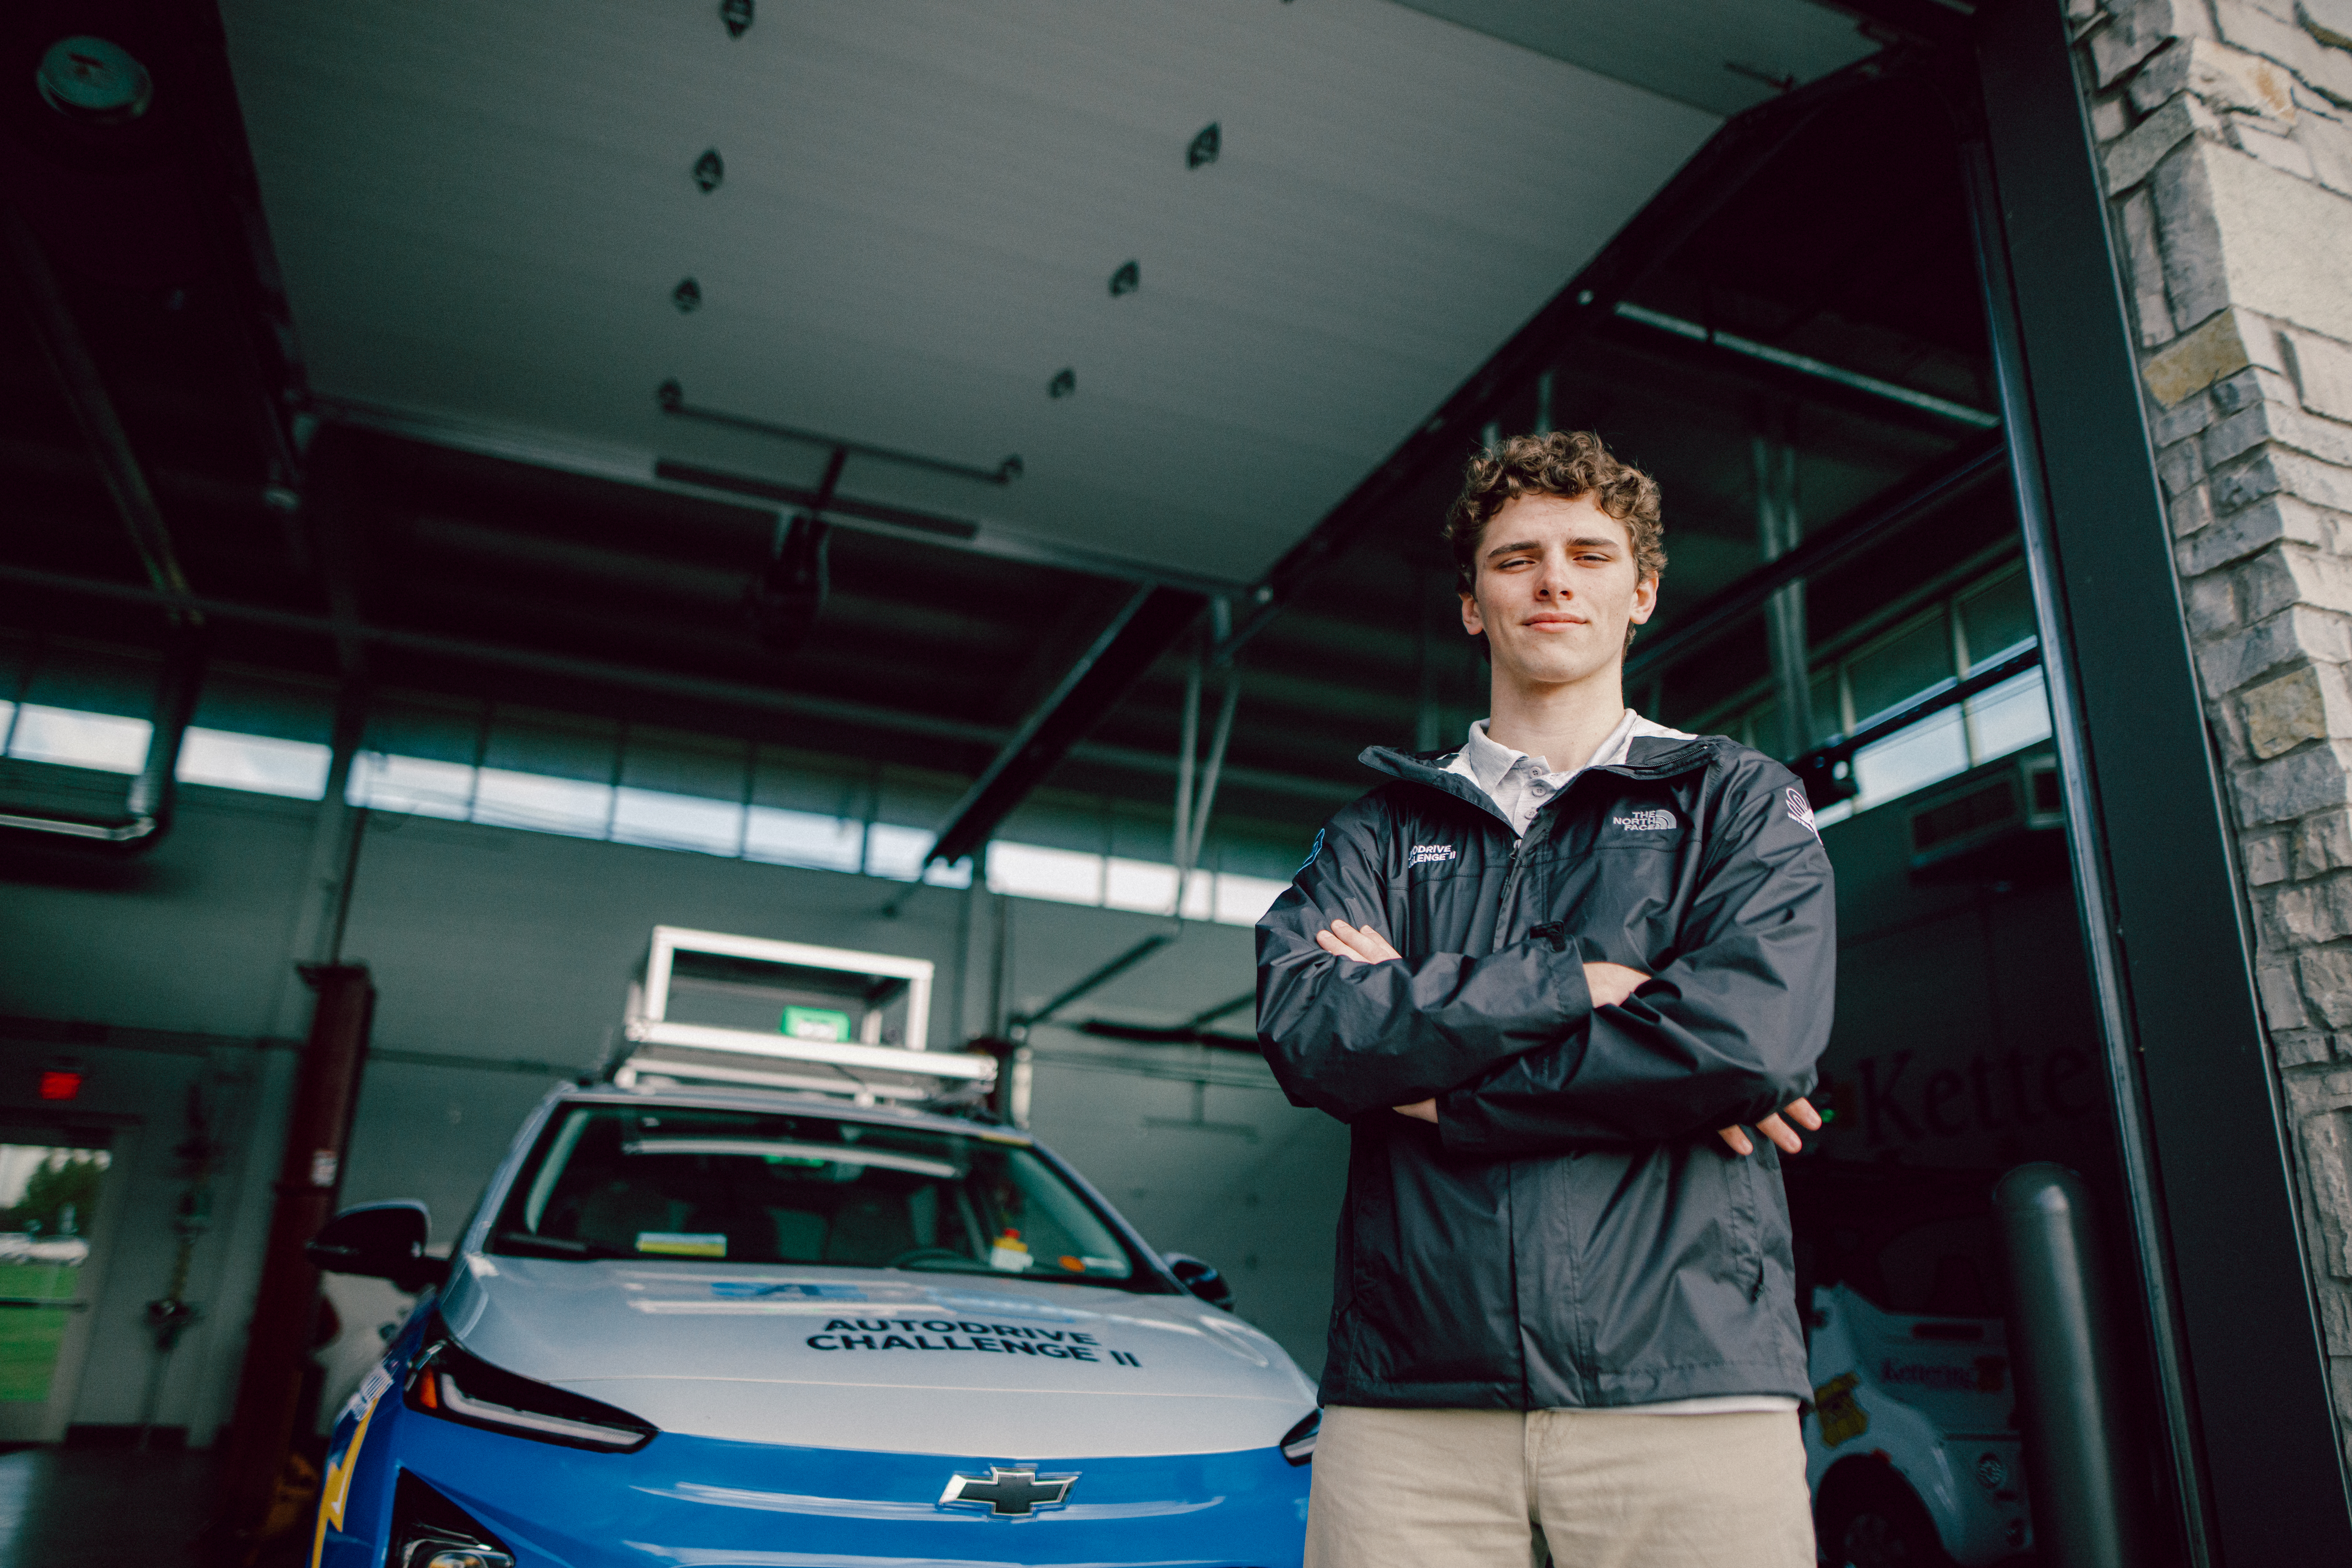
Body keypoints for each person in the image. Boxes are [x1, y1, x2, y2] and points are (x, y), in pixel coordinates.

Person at [1256, 430, 1835, 1567]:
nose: (1555, 580)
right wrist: (1574, 984)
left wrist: (1441, 1094)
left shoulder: (1737, 802)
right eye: (1516, 559)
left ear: (1642, 593)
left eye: (1589, 554)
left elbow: (1746, 1047)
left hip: (1690, 1393)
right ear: (1474, 605)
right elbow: (1314, 1033)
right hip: (1408, 1410)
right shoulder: (1376, 832)